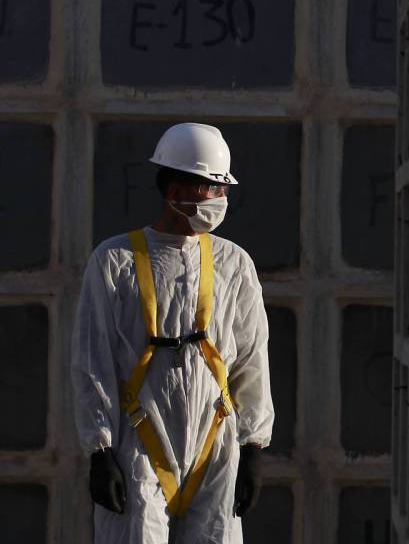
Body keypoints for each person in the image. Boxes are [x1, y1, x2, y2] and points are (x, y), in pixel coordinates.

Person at [72, 122, 274, 543]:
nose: (218, 199)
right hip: (138, 448)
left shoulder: (233, 263)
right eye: (209, 188)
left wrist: (254, 447)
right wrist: (100, 450)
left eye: (222, 189)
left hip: (214, 446)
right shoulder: (114, 260)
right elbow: (93, 360)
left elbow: (252, 357)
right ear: (174, 188)